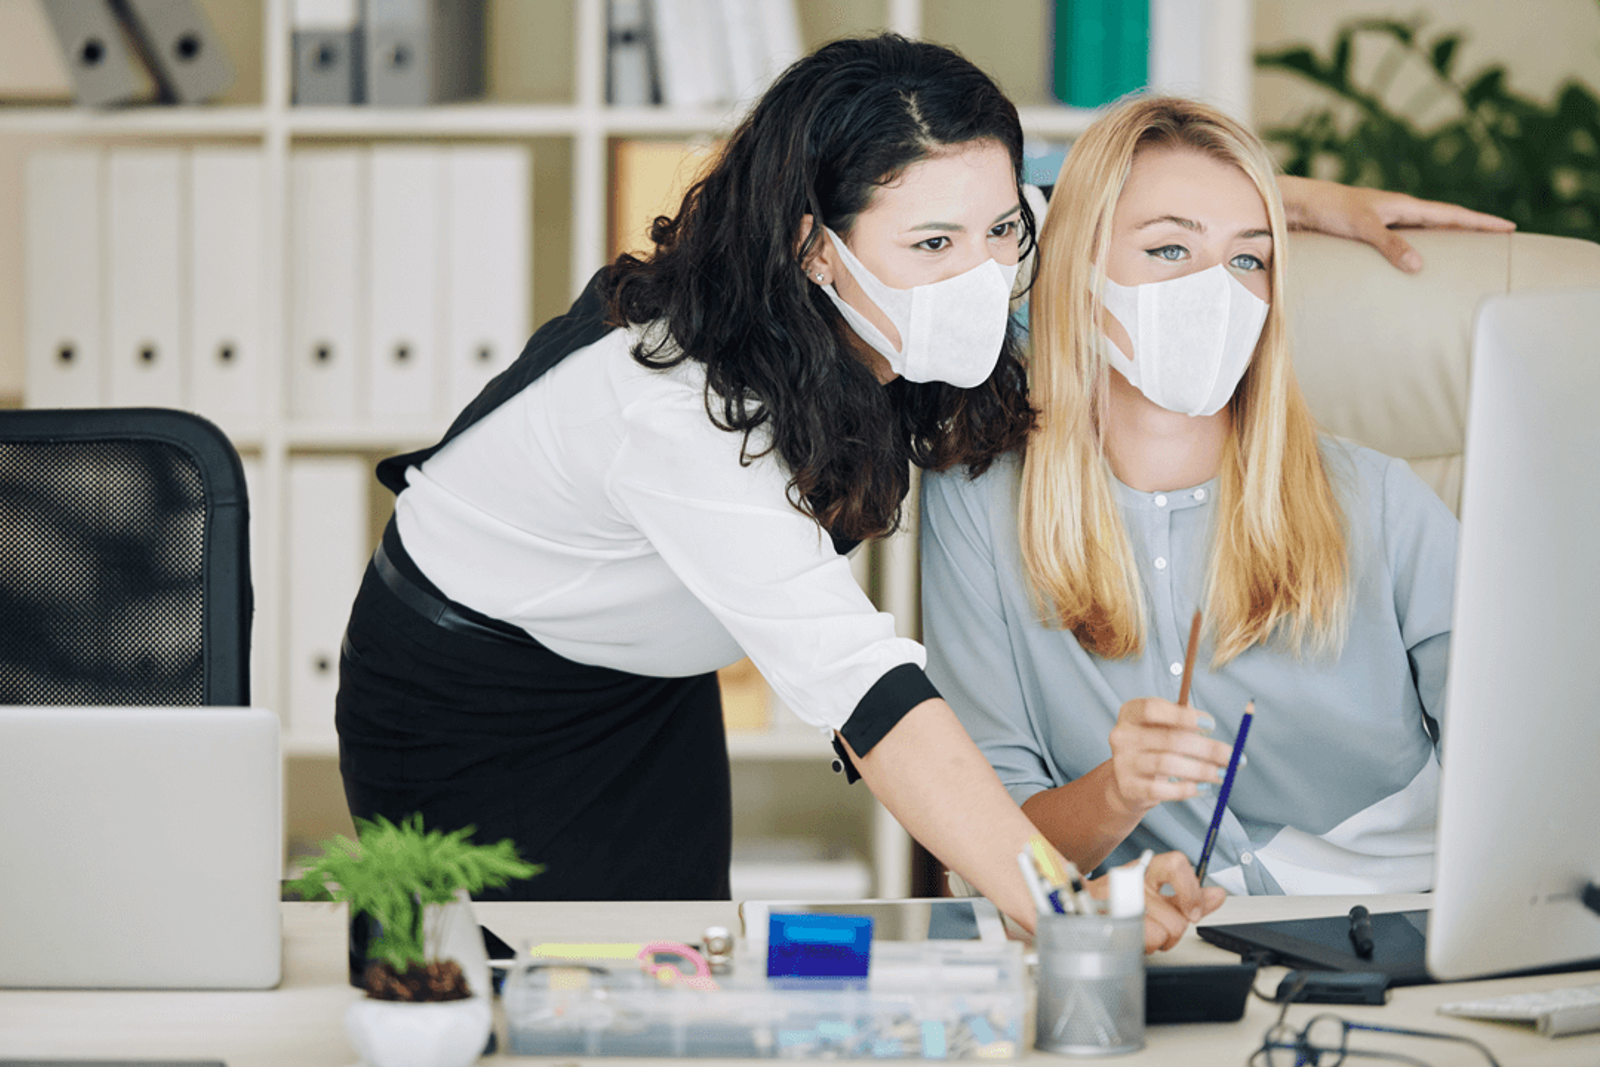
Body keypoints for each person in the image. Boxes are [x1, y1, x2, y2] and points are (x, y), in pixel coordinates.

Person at [337, 34, 1499, 941]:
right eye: (934, 245)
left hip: (651, 673)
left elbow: (1108, 204)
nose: (989, 271)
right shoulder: (677, 410)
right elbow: (869, 692)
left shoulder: (954, 243)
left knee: (674, 958)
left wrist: (1298, 205)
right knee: (522, 989)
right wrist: (1063, 908)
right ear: (812, 247)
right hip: (479, 694)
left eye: (1001, 230)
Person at [920, 94, 1464, 897]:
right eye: (1170, 250)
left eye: (1249, 260)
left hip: (1405, 923)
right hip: (1169, 949)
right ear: (1078, 266)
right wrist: (1117, 792)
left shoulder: (1378, 497)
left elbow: (1535, 757)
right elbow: (993, 843)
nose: (1218, 290)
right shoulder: (976, 506)